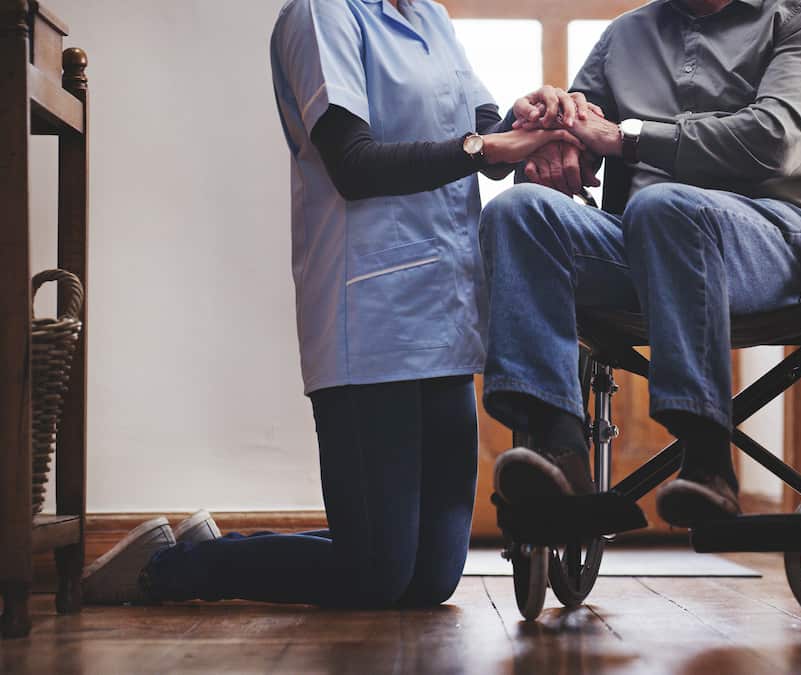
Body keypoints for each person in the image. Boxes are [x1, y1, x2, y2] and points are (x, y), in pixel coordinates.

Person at [81, 0, 586, 608]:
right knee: (375, 575)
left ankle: (218, 546)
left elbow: (481, 129)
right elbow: (353, 163)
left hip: (445, 313)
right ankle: (168, 567)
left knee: (429, 580)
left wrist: (526, 116)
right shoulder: (322, 15)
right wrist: (490, 147)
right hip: (370, 315)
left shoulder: (429, 16)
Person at [484, 0, 801, 527]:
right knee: (519, 212)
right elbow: (576, 132)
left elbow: (773, 140)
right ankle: (558, 455)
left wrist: (627, 139)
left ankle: (708, 461)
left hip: (783, 241)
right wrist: (545, 126)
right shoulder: (626, 35)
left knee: (666, 205)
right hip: (645, 240)